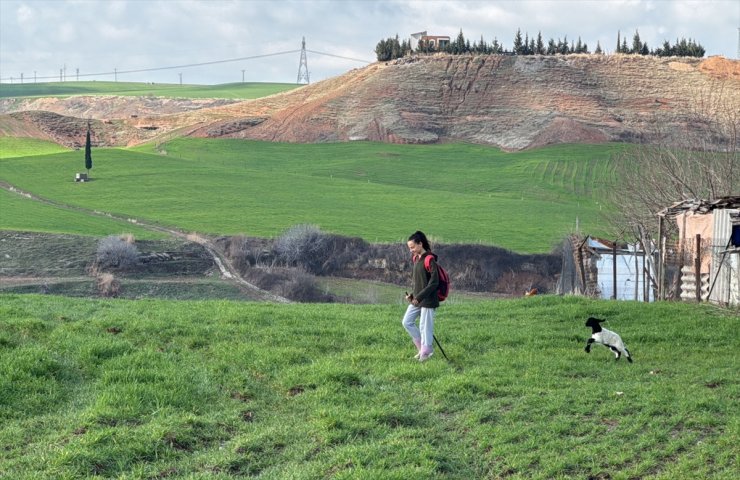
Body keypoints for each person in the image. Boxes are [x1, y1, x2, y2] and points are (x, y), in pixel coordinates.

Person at [402, 230, 440, 362]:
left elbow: (434, 282)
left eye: (412, 247)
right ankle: (422, 348)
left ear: (420, 244)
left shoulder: (430, 259)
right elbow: (420, 282)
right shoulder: (416, 259)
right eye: (409, 247)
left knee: (425, 326)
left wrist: (419, 297)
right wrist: (413, 297)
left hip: (428, 299)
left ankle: (426, 351)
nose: (411, 250)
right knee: (407, 322)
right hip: (418, 299)